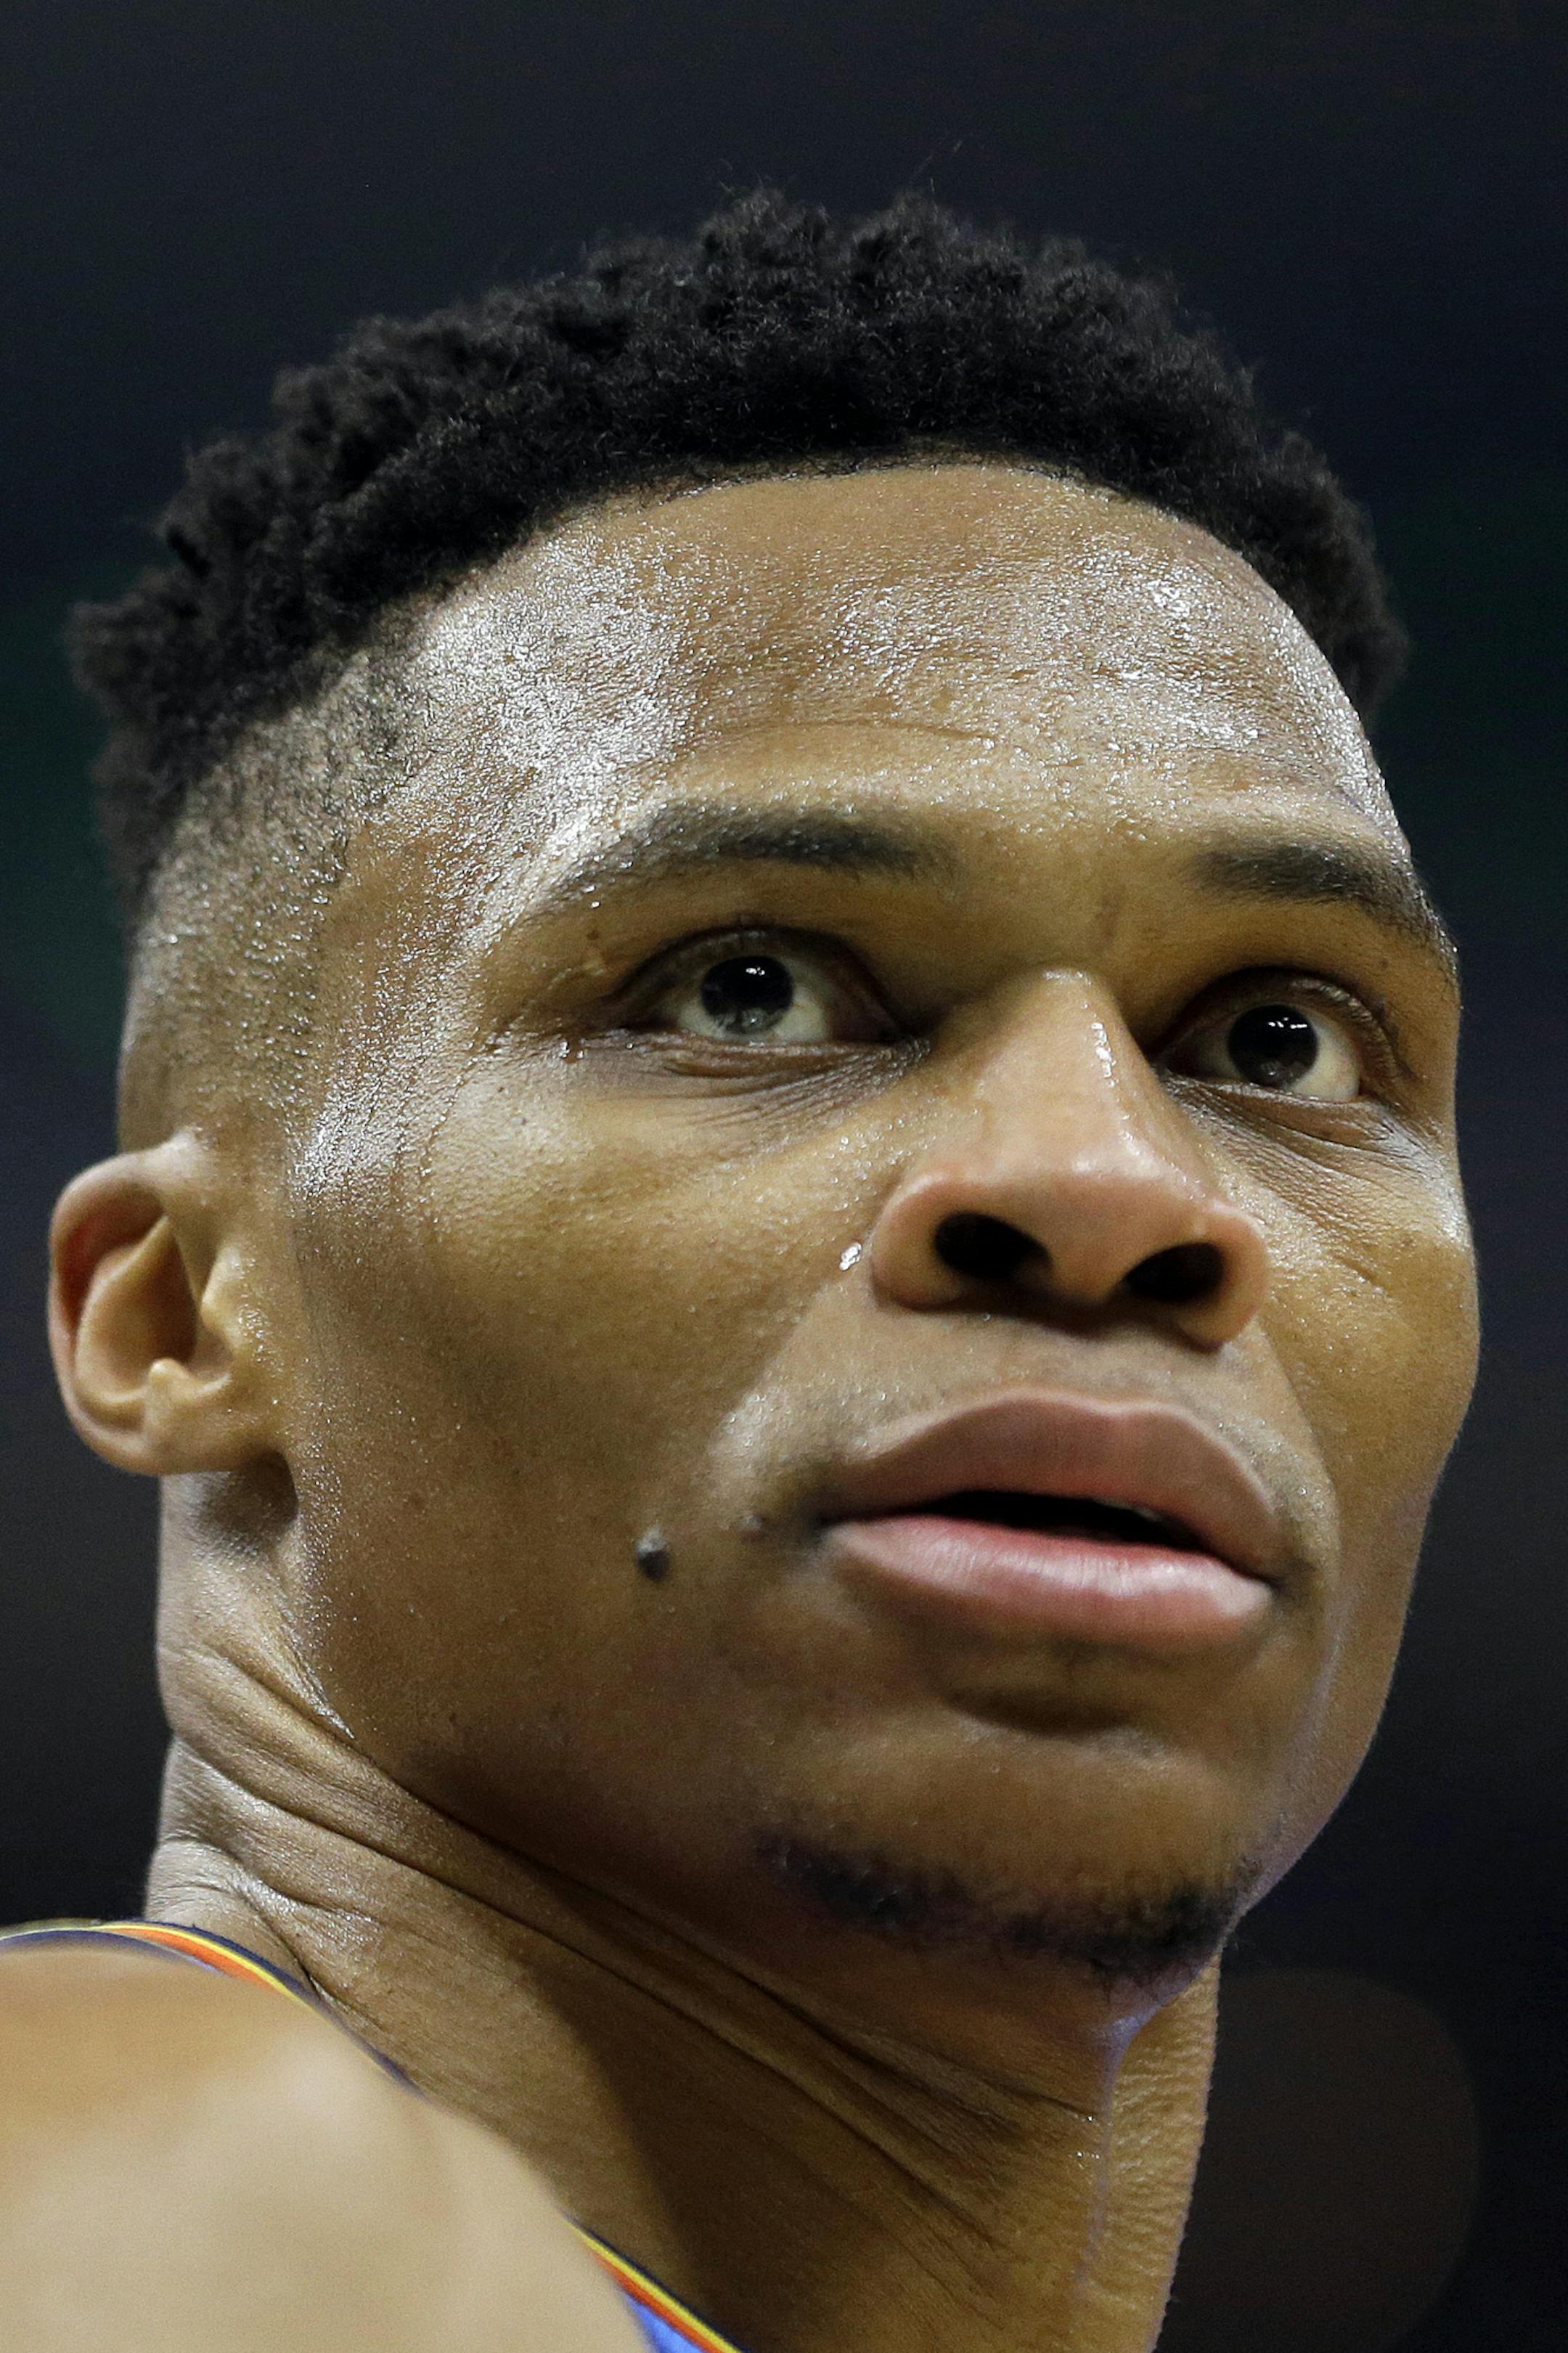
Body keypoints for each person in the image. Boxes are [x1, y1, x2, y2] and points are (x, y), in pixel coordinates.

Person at [0, 192, 1477, 2353]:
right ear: (176, 1311)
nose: (1114, 1182)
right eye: (755, 988)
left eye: (1276, 1041)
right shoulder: (175, 2191)